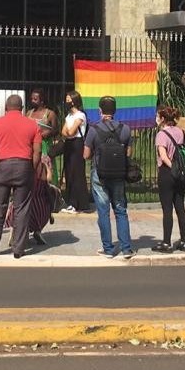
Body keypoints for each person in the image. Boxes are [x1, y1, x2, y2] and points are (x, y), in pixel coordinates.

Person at [0, 94, 41, 259]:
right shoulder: (32, 125)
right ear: (21, 109)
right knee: (22, 209)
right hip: (24, 167)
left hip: (3, 167)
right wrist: (32, 169)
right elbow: (37, 151)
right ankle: (18, 249)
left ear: (6, 108)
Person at [85, 96, 135, 259]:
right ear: (115, 111)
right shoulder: (125, 129)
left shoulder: (94, 130)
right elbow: (128, 153)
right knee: (120, 210)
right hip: (119, 174)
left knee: (103, 211)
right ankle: (126, 248)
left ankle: (108, 249)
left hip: (100, 174)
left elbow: (86, 155)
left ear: (100, 111)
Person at [153, 106, 185, 253]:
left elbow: (163, 156)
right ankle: (184, 241)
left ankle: (167, 242)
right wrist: (179, 170)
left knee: (167, 209)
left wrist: (172, 167)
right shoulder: (181, 132)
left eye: (157, 116)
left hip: (167, 173)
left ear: (162, 119)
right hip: (180, 174)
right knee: (180, 207)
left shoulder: (161, 134)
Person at [59, 91, 91, 213]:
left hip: (77, 144)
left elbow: (71, 132)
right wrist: (67, 131)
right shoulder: (69, 116)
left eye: (69, 100)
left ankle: (80, 203)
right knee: (69, 172)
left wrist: (68, 131)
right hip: (69, 144)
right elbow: (63, 132)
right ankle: (71, 202)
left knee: (77, 172)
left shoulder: (80, 115)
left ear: (74, 101)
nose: (67, 102)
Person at [26, 89, 60, 185]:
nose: (32, 100)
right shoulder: (29, 113)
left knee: (47, 167)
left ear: (42, 100)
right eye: (32, 98)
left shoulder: (50, 114)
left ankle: (49, 188)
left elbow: (56, 130)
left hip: (45, 144)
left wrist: (47, 133)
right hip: (32, 144)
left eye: (35, 99)